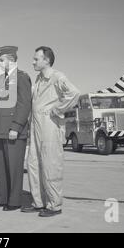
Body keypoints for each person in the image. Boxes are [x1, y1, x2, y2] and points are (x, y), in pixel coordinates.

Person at [22, 46, 80, 217]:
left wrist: (58, 109)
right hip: (35, 125)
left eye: (36, 59)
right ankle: (38, 202)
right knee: (33, 164)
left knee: (50, 164)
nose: (33, 62)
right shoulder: (39, 79)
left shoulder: (57, 77)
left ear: (46, 60)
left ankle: (54, 205)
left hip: (49, 125)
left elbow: (74, 93)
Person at [0, 46, 32, 211]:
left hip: (13, 131)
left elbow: (24, 104)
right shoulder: (1, 79)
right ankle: (1, 198)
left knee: (14, 167)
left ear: (10, 59)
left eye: (1, 60)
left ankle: (14, 201)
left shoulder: (22, 77)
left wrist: (16, 127)